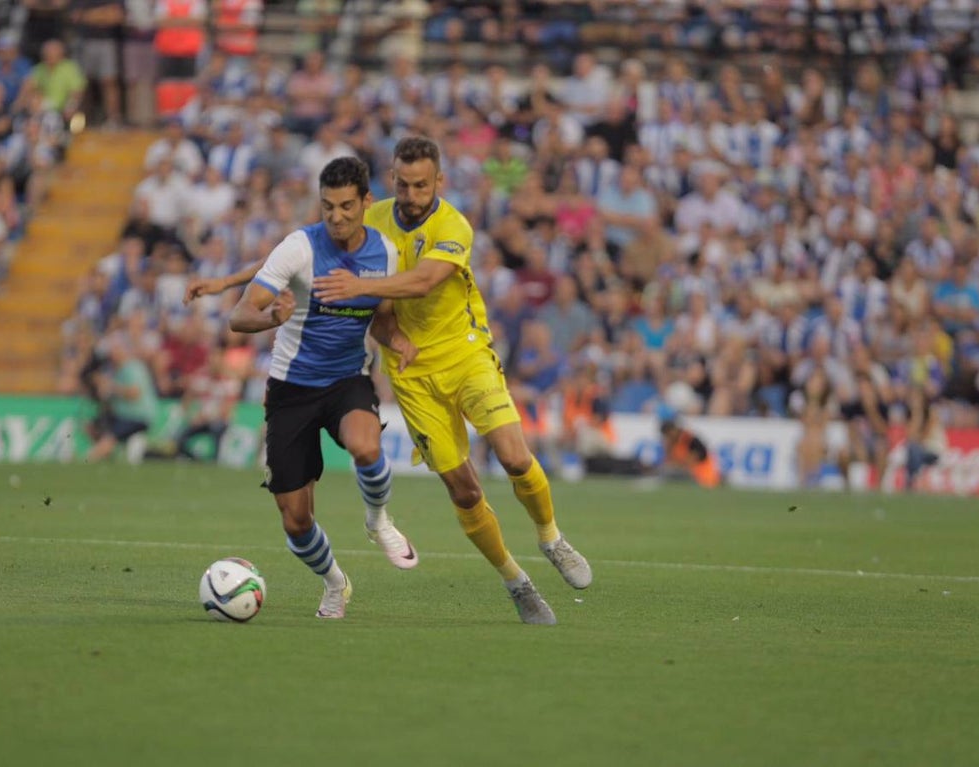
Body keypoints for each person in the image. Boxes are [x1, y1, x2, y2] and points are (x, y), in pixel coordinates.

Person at [312, 137, 592, 625]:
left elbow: (422, 281)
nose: (412, 194)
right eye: (403, 183)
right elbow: (368, 307)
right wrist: (389, 332)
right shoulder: (371, 221)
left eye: (422, 184)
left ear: (439, 182)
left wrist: (359, 286)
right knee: (464, 492)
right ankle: (516, 583)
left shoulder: (453, 225)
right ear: (391, 180)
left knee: (513, 456)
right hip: (412, 374)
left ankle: (551, 538)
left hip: (466, 355)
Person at [221, 156, 420, 619]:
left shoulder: (386, 253)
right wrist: (271, 317)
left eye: (347, 206)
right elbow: (238, 316)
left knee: (366, 448)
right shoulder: (299, 248)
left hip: (348, 380)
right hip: (291, 388)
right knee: (296, 520)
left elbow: (382, 322)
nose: (337, 217)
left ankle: (379, 522)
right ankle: (334, 582)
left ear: (366, 202)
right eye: (328, 206)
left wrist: (400, 342)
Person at [658, 407, 721, 489]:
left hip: (701, 475)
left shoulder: (689, 439)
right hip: (690, 474)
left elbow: (691, 460)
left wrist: (676, 465)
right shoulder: (673, 443)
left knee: (668, 473)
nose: (667, 439)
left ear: (672, 431)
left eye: (667, 435)